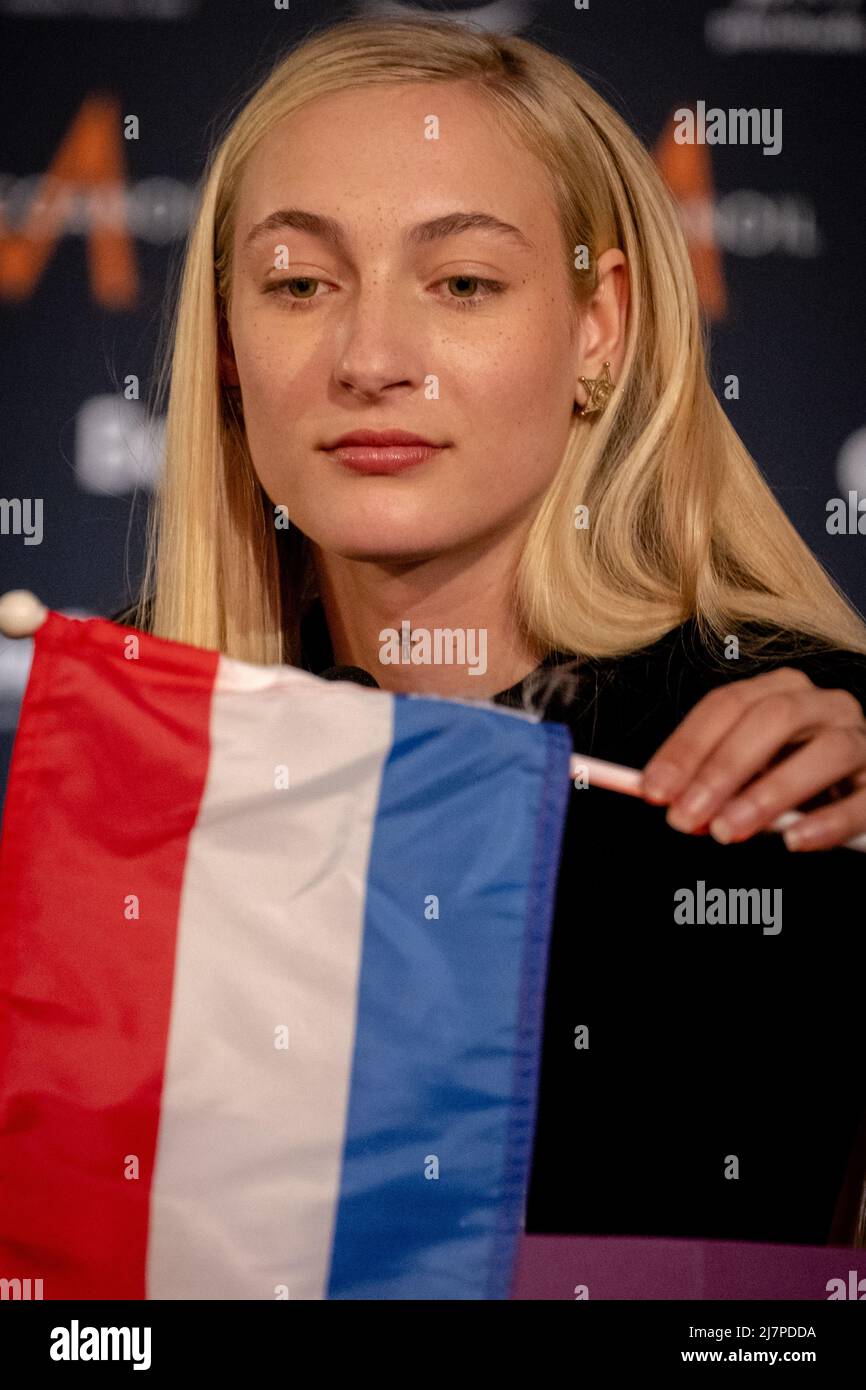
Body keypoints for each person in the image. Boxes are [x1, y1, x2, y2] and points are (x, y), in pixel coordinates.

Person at [113, 16, 866, 1255]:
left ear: (597, 325)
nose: (368, 358)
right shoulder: (111, 747)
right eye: (300, 283)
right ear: (230, 342)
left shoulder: (806, 755)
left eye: (461, 282)